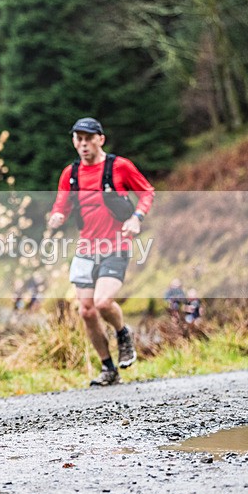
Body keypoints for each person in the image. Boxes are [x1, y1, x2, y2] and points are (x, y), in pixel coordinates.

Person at [48, 117, 155, 386]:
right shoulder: (70, 174)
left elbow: (146, 192)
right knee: (86, 311)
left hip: (116, 245)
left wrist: (137, 218)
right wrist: (57, 216)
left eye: (89, 139)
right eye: (79, 139)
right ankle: (108, 368)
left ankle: (123, 332)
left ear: (101, 139)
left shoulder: (120, 167)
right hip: (86, 248)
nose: (83, 144)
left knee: (103, 302)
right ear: (74, 141)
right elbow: (62, 204)